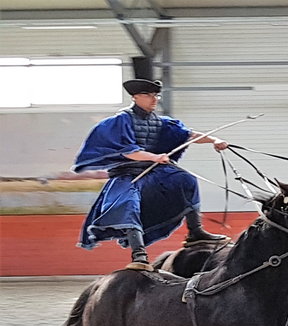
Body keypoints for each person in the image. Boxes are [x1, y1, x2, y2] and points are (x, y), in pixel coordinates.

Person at [73, 78, 229, 271]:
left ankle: (195, 232)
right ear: (135, 97)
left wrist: (215, 139)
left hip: (155, 171)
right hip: (128, 174)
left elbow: (188, 135)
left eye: (156, 95)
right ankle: (139, 253)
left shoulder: (160, 122)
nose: (154, 99)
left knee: (185, 179)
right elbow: (128, 152)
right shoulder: (120, 121)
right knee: (127, 205)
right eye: (148, 95)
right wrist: (154, 156)